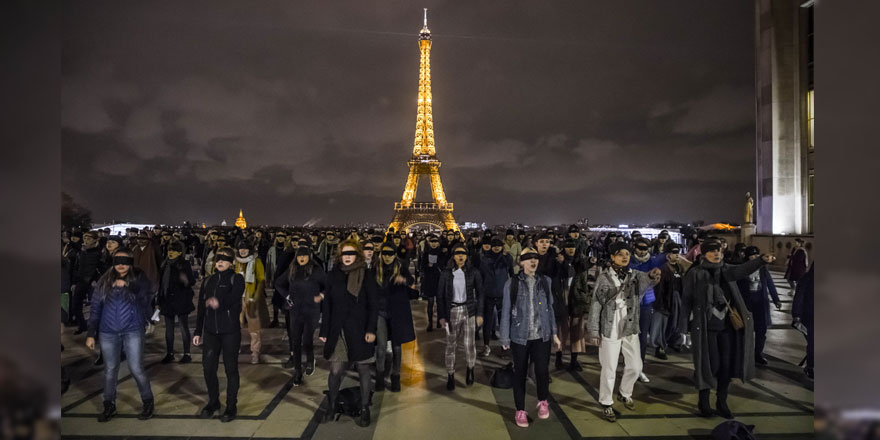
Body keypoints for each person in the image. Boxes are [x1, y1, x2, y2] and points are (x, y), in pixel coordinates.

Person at [680, 238, 776, 419]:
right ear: (704, 253)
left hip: (728, 327)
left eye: (719, 251)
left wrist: (761, 260)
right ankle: (704, 401)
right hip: (706, 327)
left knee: (726, 365)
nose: (716, 254)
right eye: (712, 251)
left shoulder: (727, 270)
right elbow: (686, 301)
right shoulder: (696, 273)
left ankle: (721, 402)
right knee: (710, 365)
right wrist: (683, 328)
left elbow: (744, 269)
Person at [587, 241, 661, 422]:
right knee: (609, 367)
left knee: (636, 366)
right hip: (610, 325)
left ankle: (625, 392)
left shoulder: (634, 274)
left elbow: (647, 281)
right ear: (612, 257)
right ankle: (606, 402)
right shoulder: (604, 277)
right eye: (621, 254)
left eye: (627, 254)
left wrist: (653, 275)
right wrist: (594, 330)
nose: (625, 257)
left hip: (630, 325)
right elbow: (596, 304)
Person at [85, 249, 155, 422]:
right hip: (108, 331)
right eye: (117, 261)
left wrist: (129, 286)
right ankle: (109, 404)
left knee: (136, 368)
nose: (121, 265)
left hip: (132, 329)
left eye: (125, 261)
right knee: (110, 370)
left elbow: (145, 299)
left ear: (131, 262)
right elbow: (95, 308)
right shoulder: (104, 280)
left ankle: (147, 402)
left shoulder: (139, 277)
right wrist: (91, 333)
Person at [318, 240, 379, 428]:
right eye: (344, 254)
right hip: (338, 329)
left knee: (363, 369)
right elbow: (327, 304)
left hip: (360, 329)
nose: (347, 257)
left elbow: (373, 305)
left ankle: (365, 408)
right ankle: (332, 404)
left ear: (357, 256)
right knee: (335, 370)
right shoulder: (333, 275)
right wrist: (324, 330)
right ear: (339, 255)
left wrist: (371, 329)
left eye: (351, 254)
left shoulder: (366, 275)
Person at [500, 247, 561, 428]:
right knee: (520, 374)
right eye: (528, 259)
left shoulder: (546, 281)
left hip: (542, 335)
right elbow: (505, 312)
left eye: (535, 259)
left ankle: (543, 401)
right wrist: (504, 337)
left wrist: (555, 333)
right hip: (520, 336)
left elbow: (550, 308)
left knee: (542, 372)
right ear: (522, 262)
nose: (533, 261)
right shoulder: (512, 283)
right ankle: (520, 410)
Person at [193, 246, 244, 422]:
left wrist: (218, 302)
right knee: (208, 368)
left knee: (231, 369)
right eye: (218, 258)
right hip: (211, 332)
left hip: (230, 331)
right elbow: (201, 307)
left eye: (224, 259)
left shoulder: (236, 279)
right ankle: (213, 402)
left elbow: (234, 299)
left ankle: (231, 406)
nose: (220, 261)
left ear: (231, 263)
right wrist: (198, 330)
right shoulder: (209, 281)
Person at [274, 246, 326, 385]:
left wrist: (321, 295)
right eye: (299, 256)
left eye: (304, 256)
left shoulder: (316, 270)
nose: (301, 258)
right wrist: (287, 295)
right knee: (296, 341)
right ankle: (297, 372)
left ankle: (310, 360)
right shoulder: (292, 270)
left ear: (309, 256)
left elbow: (328, 285)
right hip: (295, 310)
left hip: (311, 310)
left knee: (307, 339)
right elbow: (278, 283)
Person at [438, 243, 484, 391]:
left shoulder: (474, 272)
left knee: (469, 344)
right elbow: (440, 296)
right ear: (453, 256)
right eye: (457, 253)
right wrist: (441, 316)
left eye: (463, 253)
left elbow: (481, 293)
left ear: (467, 256)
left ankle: (470, 369)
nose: (460, 256)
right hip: (452, 310)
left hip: (468, 309)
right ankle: (450, 374)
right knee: (451, 344)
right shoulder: (446, 273)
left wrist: (479, 313)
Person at [374, 242, 416, 392]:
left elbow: (411, 281)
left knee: (397, 347)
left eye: (390, 254)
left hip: (397, 312)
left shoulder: (401, 267)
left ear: (394, 255)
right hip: (380, 311)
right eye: (384, 253)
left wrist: (403, 280)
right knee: (381, 347)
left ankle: (395, 376)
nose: (387, 257)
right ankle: (380, 377)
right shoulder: (375, 269)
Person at [628, 237, 667, 382]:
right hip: (630, 301)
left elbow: (668, 258)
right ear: (634, 247)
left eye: (645, 248)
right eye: (639, 247)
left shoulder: (654, 261)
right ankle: (629, 367)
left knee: (642, 337)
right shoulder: (629, 260)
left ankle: (639, 369)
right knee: (628, 336)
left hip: (646, 302)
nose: (642, 250)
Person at [736, 246, 781, 366]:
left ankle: (758, 354)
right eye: (752, 256)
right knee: (747, 330)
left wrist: (776, 299)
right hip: (747, 304)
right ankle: (746, 353)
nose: (755, 258)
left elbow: (770, 284)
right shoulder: (741, 270)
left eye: (757, 255)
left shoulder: (763, 269)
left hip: (761, 303)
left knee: (761, 330)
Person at [650, 242, 691, 359]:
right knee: (662, 325)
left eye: (678, 252)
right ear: (668, 255)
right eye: (674, 252)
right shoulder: (662, 269)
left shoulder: (679, 267)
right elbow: (659, 289)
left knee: (676, 323)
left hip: (677, 298)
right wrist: (660, 304)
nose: (677, 255)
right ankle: (660, 347)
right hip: (665, 300)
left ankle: (674, 342)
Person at [158, 241, 196, 364]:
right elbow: (161, 283)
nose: (170, 253)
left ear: (180, 252)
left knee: (183, 327)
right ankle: (170, 353)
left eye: (174, 250)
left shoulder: (184, 264)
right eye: (169, 250)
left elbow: (191, 281)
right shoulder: (165, 264)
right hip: (167, 300)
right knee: (169, 329)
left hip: (181, 300)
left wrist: (185, 280)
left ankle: (187, 353)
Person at [233, 239, 269, 364]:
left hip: (251, 298)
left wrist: (256, 296)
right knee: (235, 325)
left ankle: (255, 352)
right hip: (237, 298)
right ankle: (234, 346)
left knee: (254, 328)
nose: (243, 251)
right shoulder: (235, 262)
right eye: (241, 248)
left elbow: (261, 280)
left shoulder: (256, 262)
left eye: (245, 248)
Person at [479, 238, 513, 357]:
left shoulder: (507, 258)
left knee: (503, 322)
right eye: (494, 246)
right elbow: (481, 276)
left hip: (501, 294)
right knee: (487, 322)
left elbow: (512, 274)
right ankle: (486, 345)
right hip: (489, 293)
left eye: (499, 245)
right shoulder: (484, 259)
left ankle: (504, 346)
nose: (496, 248)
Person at [419, 233, 446, 332]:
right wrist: (429, 266)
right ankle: (430, 322)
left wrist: (432, 266)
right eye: (432, 241)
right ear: (429, 243)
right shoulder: (425, 254)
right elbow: (422, 267)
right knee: (430, 303)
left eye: (436, 242)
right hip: (429, 281)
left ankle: (439, 320)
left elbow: (443, 266)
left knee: (439, 302)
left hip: (439, 280)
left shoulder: (441, 254)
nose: (434, 243)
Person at [792, 263, 814, 379]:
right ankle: (811, 366)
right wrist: (796, 314)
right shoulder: (807, 278)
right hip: (810, 316)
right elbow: (799, 297)